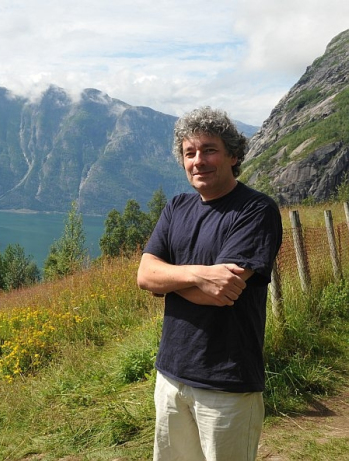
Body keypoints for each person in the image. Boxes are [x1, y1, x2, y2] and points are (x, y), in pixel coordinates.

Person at [137, 106, 283, 461]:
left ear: (233, 155)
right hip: (171, 375)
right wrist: (199, 275)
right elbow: (145, 275)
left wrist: (167, 281)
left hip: (227, 382)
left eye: (209, 150)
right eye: (190, 153)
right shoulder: (177, 207)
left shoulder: (256, 210)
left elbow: (221, 292)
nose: (198, 161)